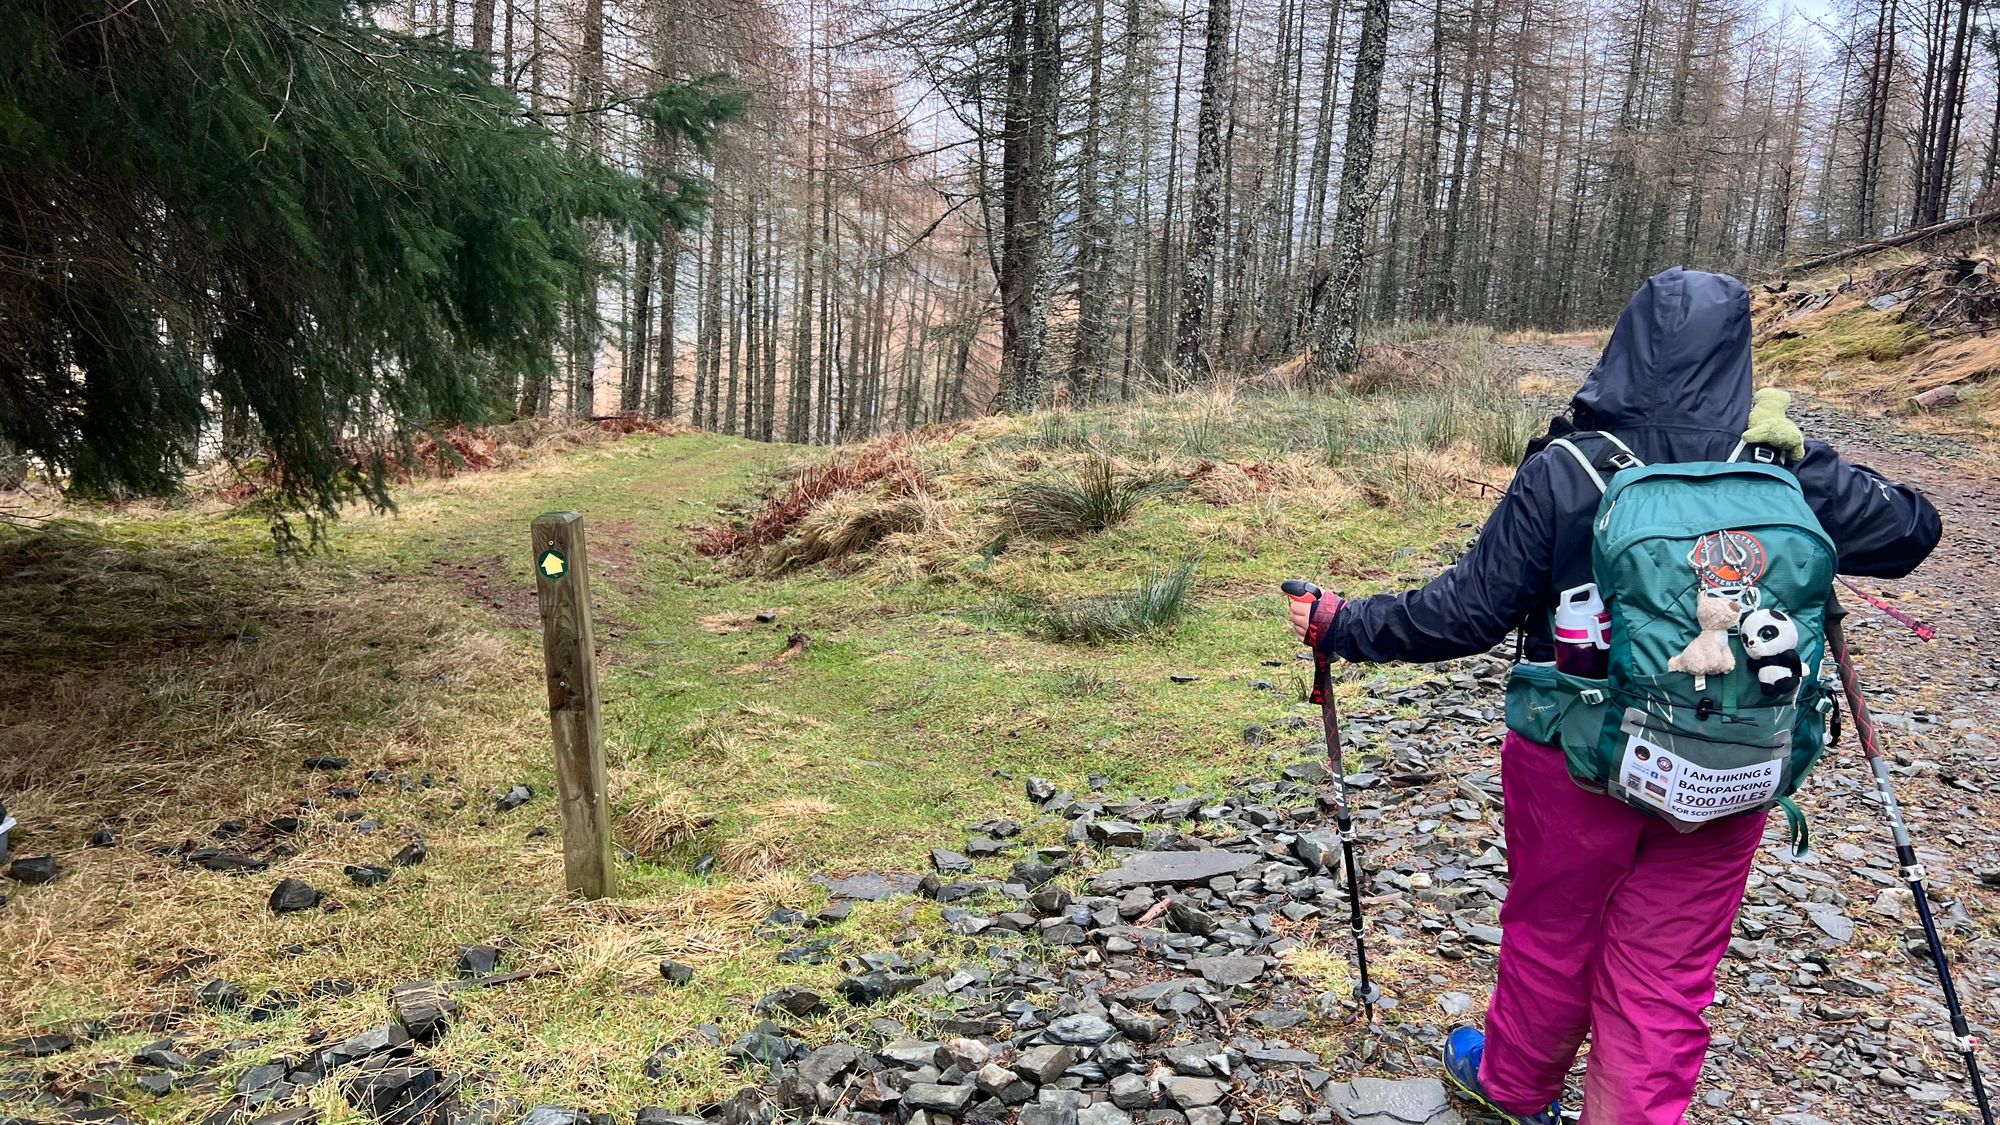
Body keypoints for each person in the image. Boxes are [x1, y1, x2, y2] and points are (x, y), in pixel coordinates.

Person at [1287, 267, 1941, 1124]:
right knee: (1669, 971)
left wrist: (1343, 623)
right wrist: (1803, 458)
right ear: (1740, 355)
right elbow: (1911, 529)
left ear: (1622, 347)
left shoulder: (1566, 470)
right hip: (1729, 754)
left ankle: (1514, 1087)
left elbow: (1466, 613)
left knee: (1552, 929)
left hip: (1573, 752)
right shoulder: (1779, 469)